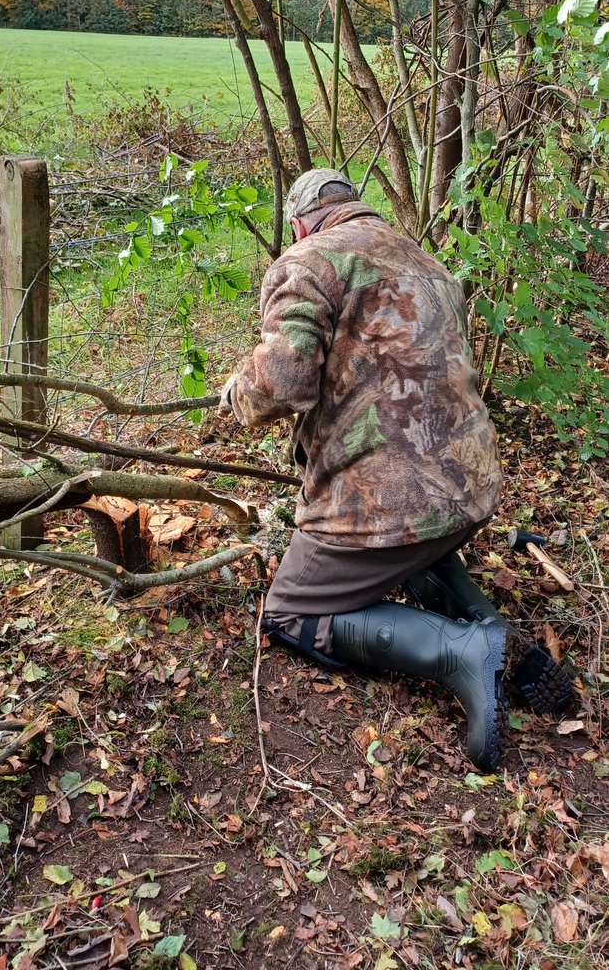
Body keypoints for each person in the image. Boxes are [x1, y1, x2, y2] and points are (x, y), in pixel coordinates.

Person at [219, 169, 572, 771]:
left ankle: (460, 650)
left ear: (301, 222)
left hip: (388, 504)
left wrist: (235, 395)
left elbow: (283, 380)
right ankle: (500, 636)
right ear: (355, 207)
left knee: (290, 612)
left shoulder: (306, 261)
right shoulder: (426, 263)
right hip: (470, 487)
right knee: (415, 549)